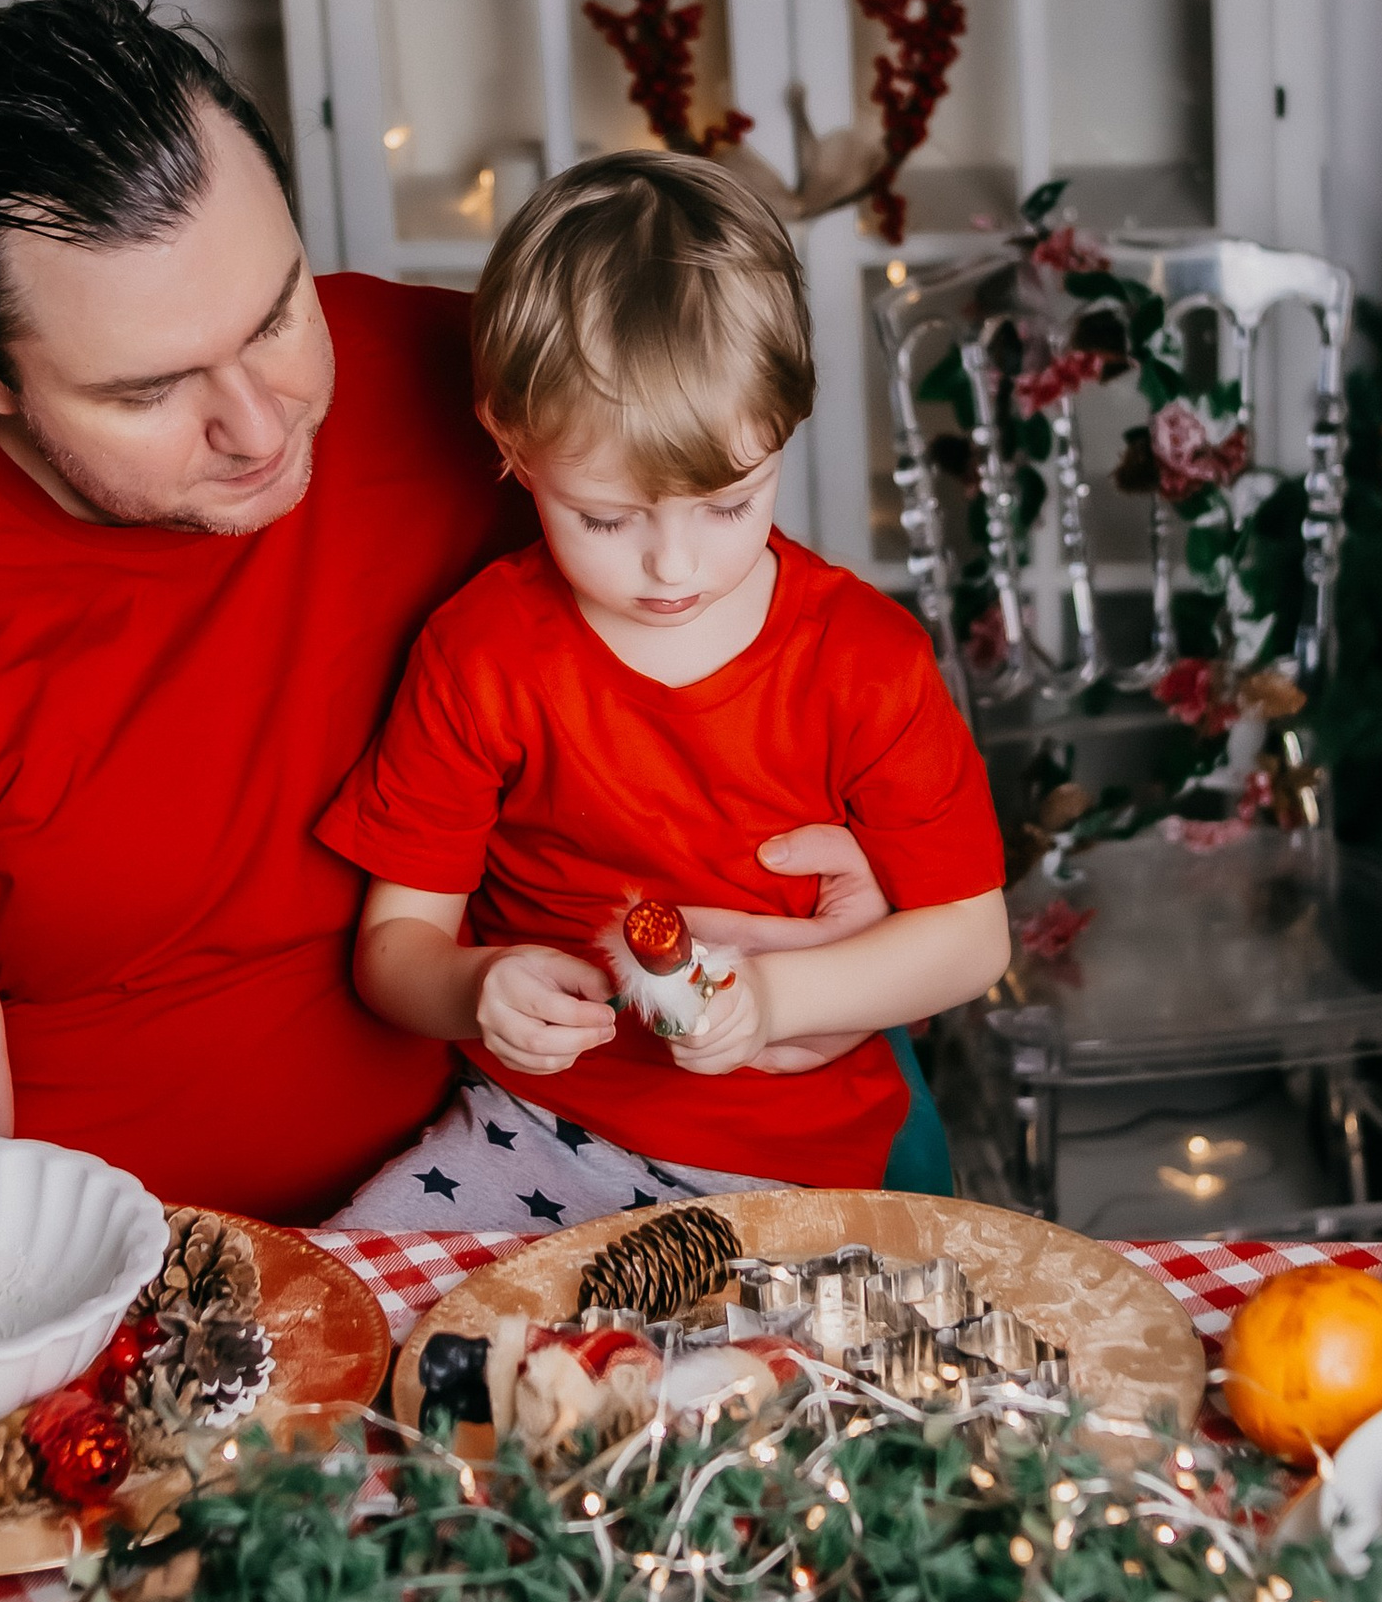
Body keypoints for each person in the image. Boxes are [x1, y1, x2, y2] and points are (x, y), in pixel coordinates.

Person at [0, 0, 886, 1224]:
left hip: (571, 1195)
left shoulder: (488, 393)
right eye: (149, 389)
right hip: (147, 1298)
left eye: (276, 314)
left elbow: (770, 672)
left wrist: (854, 894)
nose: (261, 427)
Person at [321, 152, 1009, 1230]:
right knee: (347, 1312)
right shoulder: (483, 652)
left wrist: (775, 1000)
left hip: (797, 1163)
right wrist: (474, 987)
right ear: (509, 444)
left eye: (727, 503)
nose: (673, 568)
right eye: (606, 517)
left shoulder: (863, 661)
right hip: (531, 1134)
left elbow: (971, 938)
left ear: (783, 428)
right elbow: (392, 948)